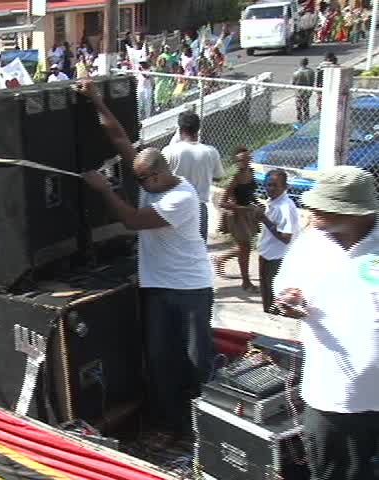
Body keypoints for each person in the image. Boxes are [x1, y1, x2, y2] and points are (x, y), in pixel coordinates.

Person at [76, 79, 214, 446]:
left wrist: (105, 189)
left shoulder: (181, 198)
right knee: (158, 358)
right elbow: (120, 138)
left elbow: (133, 221)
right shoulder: (148, 180)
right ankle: (170, 425)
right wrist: (96, 100)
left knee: (193, 361)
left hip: (190, 289)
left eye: (140, 180)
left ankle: (201, 428)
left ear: (157, 174)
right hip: (157, 287)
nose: (135, 185)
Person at [274, 166, 379, 480]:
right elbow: (284, 289)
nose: (310, 209)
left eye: (322, 205)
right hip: (332, 395)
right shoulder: (310, 243)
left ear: (355, 213)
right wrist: (288, 303)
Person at [161, 111, 225, 242]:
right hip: (198, 207)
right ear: (198, 128)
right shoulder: (211, 152)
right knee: (198, 252)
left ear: (180, 129)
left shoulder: (169, 151)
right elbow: (218, 177)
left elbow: (160, 179)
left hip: (175, 207)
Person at [214, 148, 259, 293]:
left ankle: (221, 259)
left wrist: (257, 203)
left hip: (248, 214)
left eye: (246, 159)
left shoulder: (251, 173)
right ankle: (246, 282)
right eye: (240, 160)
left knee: (245, 247)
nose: (243, 162)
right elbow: (222, 203)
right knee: (245, 247)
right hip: (236, 216)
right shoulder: (234, 178)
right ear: (236, 162)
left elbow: (250, 193)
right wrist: (240, 209)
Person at [254, 170, 299, 314]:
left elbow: (286, 238)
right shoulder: (273, 201)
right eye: (268, 185)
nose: (270, 189)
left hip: (277, 258)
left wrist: (264, 219)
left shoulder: (285, 206)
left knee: (275, 298)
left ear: (285, 187)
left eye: (275, 186)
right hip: (267, 254)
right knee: (267, 293)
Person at [293, 58, 316, 124]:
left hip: (299, 91)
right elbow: (312, 81)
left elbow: (293, 83)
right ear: (307, 63)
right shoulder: (311, 72)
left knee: (298, 106)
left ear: (300, 64)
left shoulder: (296, 73)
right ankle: (306, 118)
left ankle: (299, 119)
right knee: (306, 105)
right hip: (307, 90)